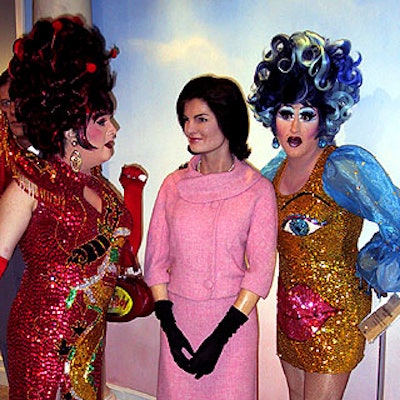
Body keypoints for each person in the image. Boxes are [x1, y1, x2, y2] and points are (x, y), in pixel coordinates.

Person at [247, 30, 400, 400]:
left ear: (326, 116)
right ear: (272, 116)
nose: (295, 127)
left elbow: (396, 219)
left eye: (307, 114)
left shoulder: (343, 167)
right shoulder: (271, 174)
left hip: (336, 317)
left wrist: (371, 264)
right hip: (290, 318)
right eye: (286, 113)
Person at [0, 15, 132, 400]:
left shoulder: (103, 191)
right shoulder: (32, 183)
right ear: (73, 129)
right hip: (41, 341)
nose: (114, 130)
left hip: (88, 340)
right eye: (103, 120)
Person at [145, 75, 278, 400]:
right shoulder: (173, 185)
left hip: (233, 326)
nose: (191, 128)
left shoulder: (257, 189)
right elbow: (155, 261)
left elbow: (260, 272)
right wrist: (169, 327)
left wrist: (220, 338)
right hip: (178, 318)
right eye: (186, 119)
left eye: (201, 118)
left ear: (227, 120)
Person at [0, 69, 31, 378]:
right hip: (8, 263)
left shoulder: (56, 154)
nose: (9, 110)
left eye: (14, 100)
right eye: (3, 103)